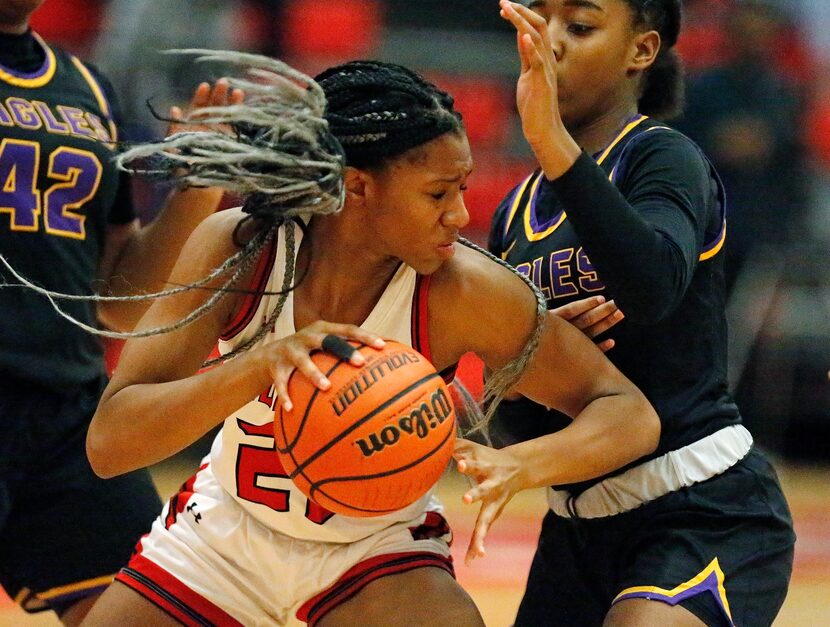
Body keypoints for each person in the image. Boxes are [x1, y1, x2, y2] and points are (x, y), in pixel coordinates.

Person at [71, 53, 661, 626]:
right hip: (223, 538)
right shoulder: (242, 247)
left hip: (375, 554)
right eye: (438, 193)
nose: (459, 214)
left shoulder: (464, 290)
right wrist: (258, 367)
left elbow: (627, 413)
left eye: (462, 189)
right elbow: (110, 444)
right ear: (357, 188)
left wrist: (520, 464)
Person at [452, 2, 797, 626]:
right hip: (577, 528)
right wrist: (535, 360)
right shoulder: (514, 211)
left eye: (580, 27)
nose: (550, 42)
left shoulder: (663, 158)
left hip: (700, 506)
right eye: (544, 20)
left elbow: (651, 288)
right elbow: (524, 419)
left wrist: (550, 141)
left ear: (641, 51)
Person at [0, 2, 242, 624]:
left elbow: (118, 298)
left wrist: (196, 185)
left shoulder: (85, 88)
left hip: (65, 417)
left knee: (159, 613)